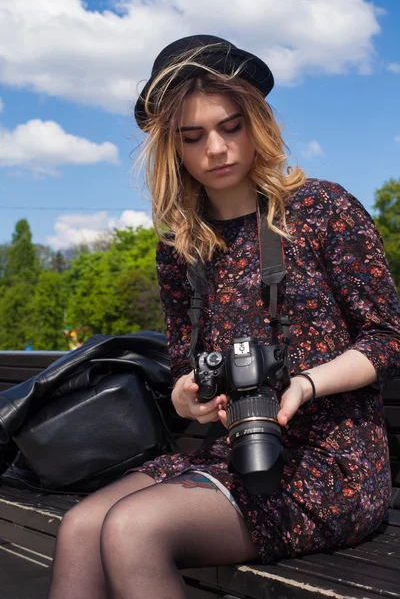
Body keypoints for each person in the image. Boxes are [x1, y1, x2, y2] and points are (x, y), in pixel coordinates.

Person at [48, 35, 400, 599]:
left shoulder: (321, 209)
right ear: (173, 149)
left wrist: (305, 386)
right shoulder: (181, 245)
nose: (216, 148)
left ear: (256, 124)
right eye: (192, 137)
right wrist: (187, 397)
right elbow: (188, 365)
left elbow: (387, 339)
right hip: (230, 450)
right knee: (81, 527)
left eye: (230, 126)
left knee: (132, 529)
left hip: (331, 462)